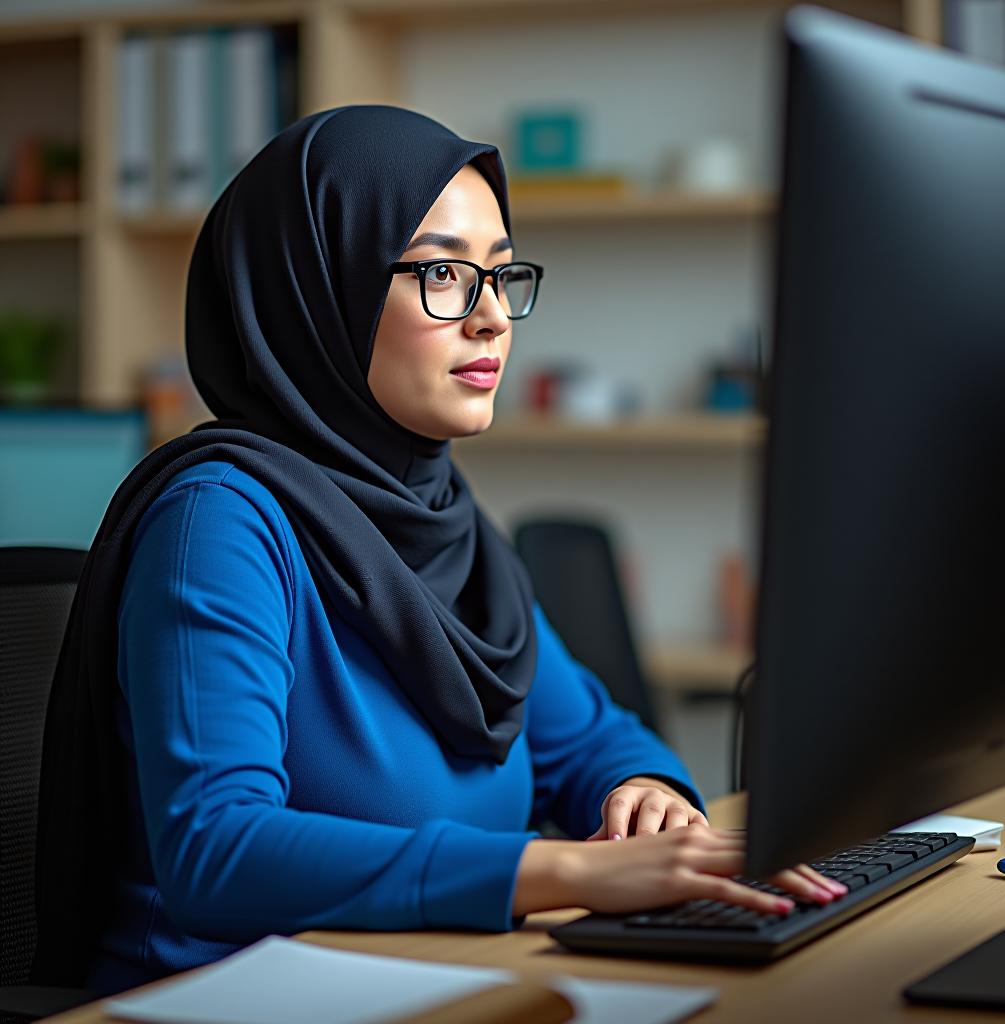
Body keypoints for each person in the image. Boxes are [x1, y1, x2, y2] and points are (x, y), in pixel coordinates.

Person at [31, 106, 843, 995]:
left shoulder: (444, 520)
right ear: (319, 288)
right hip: (222, 1000)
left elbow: (589, 739)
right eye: (445, 274)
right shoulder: (217, 520)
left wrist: (647, 793)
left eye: (501, 276)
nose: (493, 318)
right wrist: (562, 872)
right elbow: (217, 847)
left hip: (428, 980)